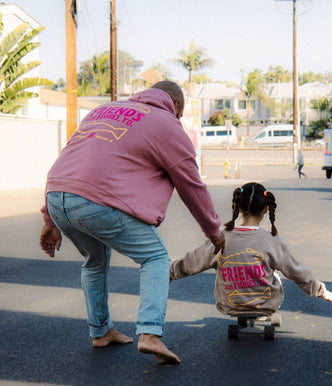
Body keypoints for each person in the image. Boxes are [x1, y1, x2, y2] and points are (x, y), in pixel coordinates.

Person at [39, 80, 225, 365]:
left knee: (94, 260)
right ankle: (150, 333)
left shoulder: (104, 110)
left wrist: (50, 218)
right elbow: (192, 186)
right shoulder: (166, 122)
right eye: (180, 114)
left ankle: (101, 332)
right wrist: (215, 233)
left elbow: (69, 158)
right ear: (175, 105)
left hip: (58, 195)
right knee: (155, 258)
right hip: (96, 202)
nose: (179, 119)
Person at [170, 182, 332, 321]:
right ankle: (259, 311)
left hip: (229, 305)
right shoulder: (271, 240)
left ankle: (240, 303)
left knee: (221, 266)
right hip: (266, 306)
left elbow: (193, 261)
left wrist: (168, 273)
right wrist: (322, 292)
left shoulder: (221, 238)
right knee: (276, 274)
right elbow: (297, 272)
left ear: (236, 206)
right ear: (266, 209)